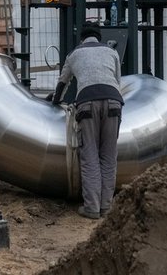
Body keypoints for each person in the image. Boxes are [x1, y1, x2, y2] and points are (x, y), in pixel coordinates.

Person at [51, 25, 123, 220]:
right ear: (99, 37)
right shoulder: (111, 51)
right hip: (114, 102)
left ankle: (91, 207)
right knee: (108, 156)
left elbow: (62, 82)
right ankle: (106, 206)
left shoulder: (74, 54)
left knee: (90, 155)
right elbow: (117, 81)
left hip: (87, 104)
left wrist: (56, 101)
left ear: (82, 39)